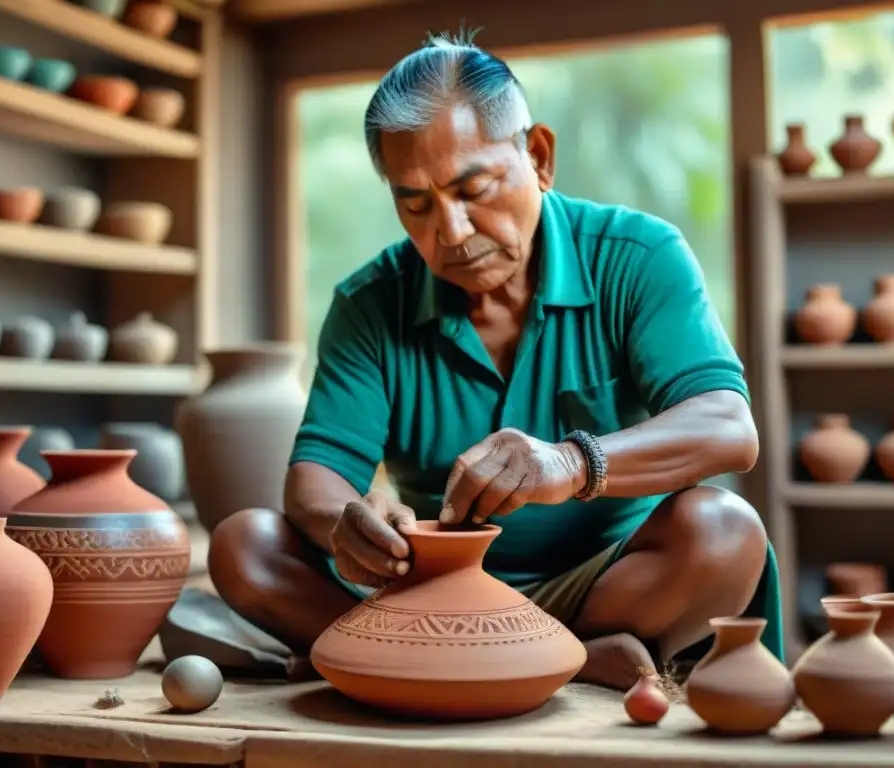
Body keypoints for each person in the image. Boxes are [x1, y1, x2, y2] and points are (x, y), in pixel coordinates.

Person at [208, 30, 783, 691]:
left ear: (538, 156)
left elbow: (729, 429)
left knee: (723, 530)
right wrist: (353, 520)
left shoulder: (638, 255)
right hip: (430, 595)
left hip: (606, 585)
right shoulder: (370, 305)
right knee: (244, 546)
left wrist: (570, 463)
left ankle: (438, 669)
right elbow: (313, 481)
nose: (450, 233)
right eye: (415, 203)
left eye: (474, 188)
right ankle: (566, 667)